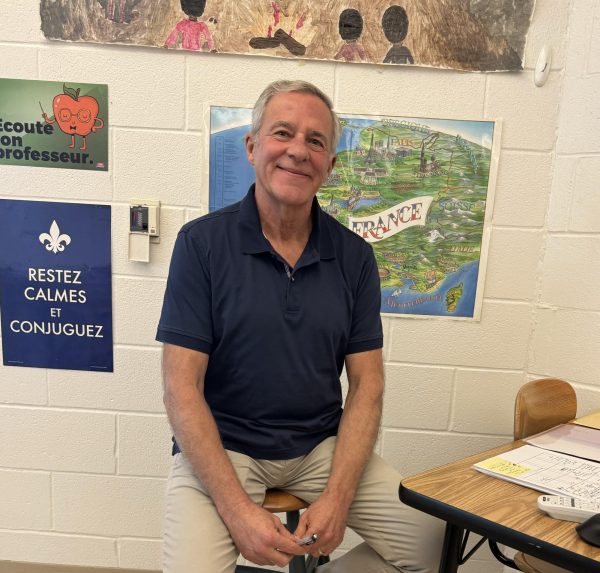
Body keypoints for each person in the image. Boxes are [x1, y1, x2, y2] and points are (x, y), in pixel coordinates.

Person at [156, 79, 443, 572]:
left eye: (316, 141)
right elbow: (181, 387)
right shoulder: (201, 245)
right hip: (225, 447)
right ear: (252, 147)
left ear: (330, 165)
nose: (297, 151)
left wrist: (338, 495)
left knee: (438, 546)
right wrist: (236, 510)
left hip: (318, 447)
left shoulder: (354, 257)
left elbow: (367, 385)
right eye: (282, 133)